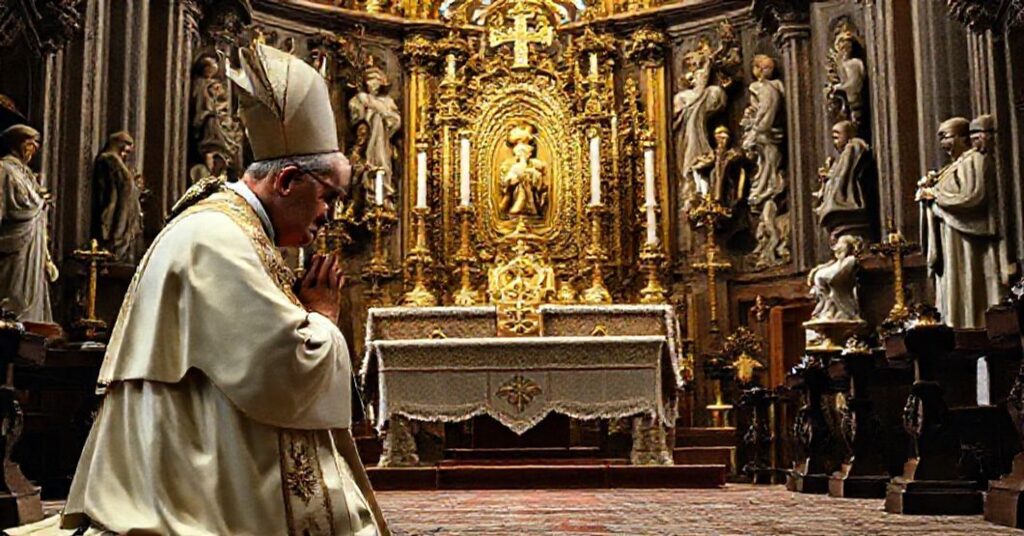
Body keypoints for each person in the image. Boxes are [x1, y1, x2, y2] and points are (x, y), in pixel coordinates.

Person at [60, 43, 388, 535]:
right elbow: (283, 368)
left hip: (195, 462)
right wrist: (321, 315)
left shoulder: (230, 228)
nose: (329, 216)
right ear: (289, 180)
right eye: (328, 197)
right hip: (187, 488)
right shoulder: (217, 238)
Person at [918, 116, 1006, 328]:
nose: (942, 144)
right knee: (955, 288)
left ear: (962, 137)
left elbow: (972, 196)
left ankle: (973, 325)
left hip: (968, 240)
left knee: (970, 286)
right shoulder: (954, 165)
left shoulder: (974, 160)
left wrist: (935, 198)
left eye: (945, 137)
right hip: (952, 238)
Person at [0, 124, 57, 323]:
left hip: (34, 246)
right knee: (13, 296)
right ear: (16, 143)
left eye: (35, 144)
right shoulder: (4, 170)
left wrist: (47, 259)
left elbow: (38, 213)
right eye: (29, 142)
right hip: (14, 245)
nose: (33, 148)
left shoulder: (27, 175)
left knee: (32, 298)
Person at [92, 131, 144, 263]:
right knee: (117, 232)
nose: (126, 154)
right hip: (116, 208)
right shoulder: (109, 159)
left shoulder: (118, 162)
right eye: (126, 149)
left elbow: (128, 186)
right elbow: (120, 186)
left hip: (125, 210)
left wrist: (136, 186)